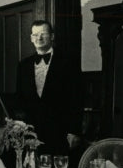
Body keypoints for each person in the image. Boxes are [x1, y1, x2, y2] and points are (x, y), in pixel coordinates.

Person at [15, 20, 83, 157]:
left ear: (52, 36)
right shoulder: (23, 65)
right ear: (31, 38)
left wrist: (74, 131)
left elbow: (77, 98)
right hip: (31, 134)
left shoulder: (68, 62)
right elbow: (20, 98)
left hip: (60, 132)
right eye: (35, 35)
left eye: (43, 34)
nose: (39, 38)